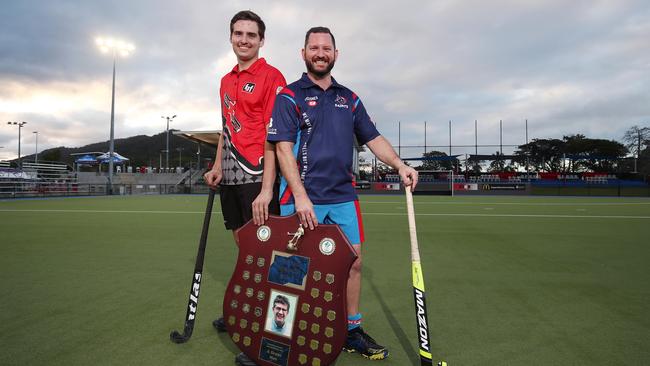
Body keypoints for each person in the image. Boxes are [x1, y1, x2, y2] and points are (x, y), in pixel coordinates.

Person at [268, 26, 418, 361]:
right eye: (314, 47)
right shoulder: (288, 96)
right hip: (301, 198)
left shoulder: (349, 99)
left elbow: (373, 138)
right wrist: (301, 195)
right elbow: (282, 149)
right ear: (303, 53)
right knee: (292, 269)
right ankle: (281, 335)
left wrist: (399, 165)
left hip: (343, 197)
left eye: (326, 48)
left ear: (336, 54)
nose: (320, 53)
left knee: (353, 264)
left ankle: (351, 331)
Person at [203, 10, 286, 366]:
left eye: (251, 35)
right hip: (232, 176)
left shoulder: (272, 76)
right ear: (231, 37)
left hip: (258, 175)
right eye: (238, 33)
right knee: (243, 246)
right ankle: (246, 312)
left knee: (268, 253)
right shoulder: (224, 80)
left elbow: (276, 133)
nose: (244, 40)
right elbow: (225, 127)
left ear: (261, 40)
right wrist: (216, 164)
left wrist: (268, 188)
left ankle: (273, 330)